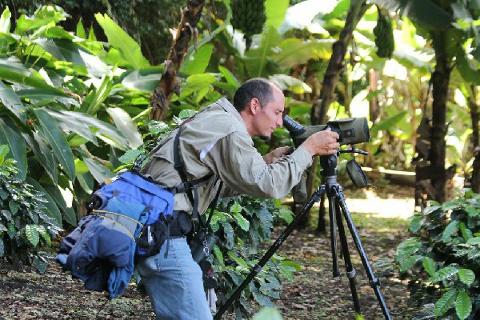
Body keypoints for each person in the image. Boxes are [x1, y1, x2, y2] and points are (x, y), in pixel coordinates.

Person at [137, 78, 340, 320]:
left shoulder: (220, 118)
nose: (279, 122)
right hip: (163, 234)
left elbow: (207, 184)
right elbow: (269, 184)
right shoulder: (230, 130)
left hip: (153, 227)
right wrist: (309, 149)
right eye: (277, 112)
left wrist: (264, 163)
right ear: (255, 105)